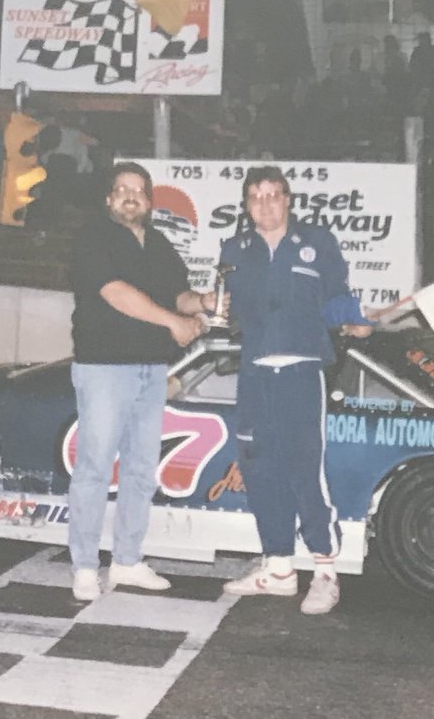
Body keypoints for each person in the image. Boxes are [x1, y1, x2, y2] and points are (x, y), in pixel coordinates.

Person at [219, 166, 375, 615]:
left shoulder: (317, 242)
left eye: (273, 195)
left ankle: (326, 572)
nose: (265, 204)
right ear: (246, 206)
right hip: (253, 374)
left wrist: (353, 319)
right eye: (255, 197)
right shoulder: (235, 249)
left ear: (288, 199)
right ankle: (280, 569)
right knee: (260, 470)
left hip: (301, 372)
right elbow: (227, 310)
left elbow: (336, 298)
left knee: (304, 471)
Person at [67, 161, 215, 601]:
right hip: (105, 369)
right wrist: (174, 322)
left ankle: (127, 561)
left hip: (153, 370)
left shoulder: (160, 243)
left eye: (140, 191)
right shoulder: (93, 238)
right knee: (94, 469)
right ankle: (84, 568)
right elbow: (115, 292)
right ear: (110, 198)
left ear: (149, 202)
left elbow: (179, 296)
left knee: (139, 472)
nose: (132, 196)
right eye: (123, 189)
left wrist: (204, 301)